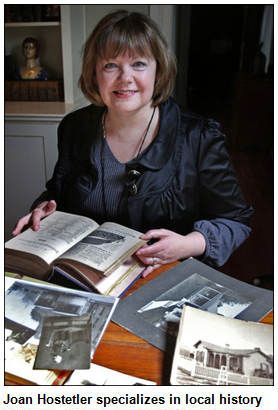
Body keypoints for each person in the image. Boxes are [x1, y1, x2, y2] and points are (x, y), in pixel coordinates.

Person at [13, 10, 253, 277]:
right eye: (110, 65)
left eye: (138, 64)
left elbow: (236, 220)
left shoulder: (199, 136)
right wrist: (43, 210)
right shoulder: (74, 128)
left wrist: (187, 244)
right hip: (84, 276)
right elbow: (58, 194)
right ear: (94, 74)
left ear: (158, 72)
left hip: (161, 277)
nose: (124, 77)